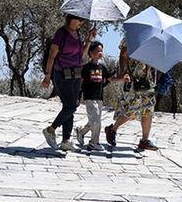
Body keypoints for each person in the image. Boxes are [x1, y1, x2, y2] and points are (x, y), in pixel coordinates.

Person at [41, 14, 96, 151]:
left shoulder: (77, 34)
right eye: (79, 20)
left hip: (76, 75)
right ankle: (50, 129)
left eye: (83, 21)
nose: (81, 23)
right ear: (71, 19)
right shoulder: (61, 33)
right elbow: (52, 55)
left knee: (70, 106)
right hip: (62, 75)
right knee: (70, 106)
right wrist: (47, 76)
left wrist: (89, 40)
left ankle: (66, 141)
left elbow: (81, 56)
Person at [104, 40, 159, 150]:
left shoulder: (153, 41)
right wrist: (123, 72)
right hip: (134, 80)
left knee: (148, 110)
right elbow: (123, 55)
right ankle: (113, 129)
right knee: (133, 108)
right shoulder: (131, 37)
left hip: (147, 81)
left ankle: (145, 140)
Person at [75, 41, 129, 151]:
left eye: (101, 51)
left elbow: (110, 79)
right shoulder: (86, 68)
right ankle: (94, 142)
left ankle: (81, 132)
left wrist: (122, 79)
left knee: (93, 121)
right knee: (96, 122)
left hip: (99, 98)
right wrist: (77, 97)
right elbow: (80, 84)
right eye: (97, 51)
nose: (100, 53)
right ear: (90, 53)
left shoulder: (102, 68)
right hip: (89, 98)